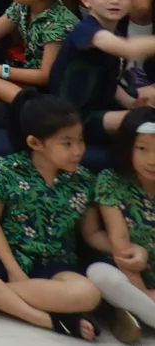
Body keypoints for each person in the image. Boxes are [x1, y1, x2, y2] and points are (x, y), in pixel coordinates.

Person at [0, 91, 103, 340]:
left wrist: (120, 247)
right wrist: (12, 268)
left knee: (88, 294)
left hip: (54, 263)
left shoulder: (84, 180)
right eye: (67, 143)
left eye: (80, 140)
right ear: (35, 143)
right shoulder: (7, 168)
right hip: (8, 253)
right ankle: (50, 320)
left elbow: (91, 232)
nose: (78, 150)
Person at [86, 107, 155, 340]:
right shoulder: (112, 180)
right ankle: (144, 309)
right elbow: (121, 247)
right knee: (101, 275)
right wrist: (144, 291)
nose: (152, 160)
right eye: (142, 149)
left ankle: (130, 313)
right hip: (126, 269)